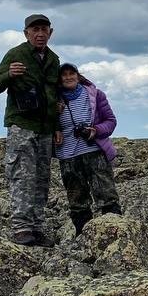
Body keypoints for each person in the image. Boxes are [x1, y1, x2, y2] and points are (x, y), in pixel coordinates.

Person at [0, 14, 61, 245]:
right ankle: (21, 228)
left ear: (50, 33)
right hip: (22, 126)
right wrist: (9, 74)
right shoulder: (15, 54)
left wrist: (57, 127)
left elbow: (54, 96)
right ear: (26, 33)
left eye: (44, 29)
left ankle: (36, 228)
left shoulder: (53, 60)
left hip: (45, 128)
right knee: (22, 176)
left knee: (41, 179)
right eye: (35, 30)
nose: (40, 34)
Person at [54, 63, 122, 235]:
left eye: (72, 73)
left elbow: (110, 121)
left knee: (107, 196)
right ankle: (83, 237)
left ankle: (116, 233)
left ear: (78, 76)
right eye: (64, 74)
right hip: (67, 156)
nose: (68, 77)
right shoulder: (53, 100)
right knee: (77, 201)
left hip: (95, 152)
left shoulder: (95, 95)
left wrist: (95, 131)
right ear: (59, 79)